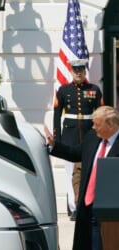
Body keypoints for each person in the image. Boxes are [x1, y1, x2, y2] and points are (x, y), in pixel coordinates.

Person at [45, 105, 119, 250]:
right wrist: (54, 145)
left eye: (97, 124)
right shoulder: (93, 137)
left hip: (111, 213)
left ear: (110, 125)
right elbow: (74, 153)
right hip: (87, 207)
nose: (93, 127)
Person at [53, 59, 103, 221]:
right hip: (69, 136)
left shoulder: (94, 90)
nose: (78, 72)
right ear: (71, 71)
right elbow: (56, 115)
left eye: (81, 69)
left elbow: (101, 113)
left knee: (89, 171)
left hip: (89, 136)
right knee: (70, 173)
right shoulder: (63, 90)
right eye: (76, 70)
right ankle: (74, 207)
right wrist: (57, 139)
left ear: (85, 71)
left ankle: (87, 204)